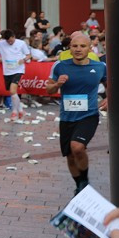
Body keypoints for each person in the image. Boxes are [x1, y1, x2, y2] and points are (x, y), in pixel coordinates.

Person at [45, 32, 107, 194]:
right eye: (75, 46)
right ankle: (79, 185)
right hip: (67, 117)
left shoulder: (100, 67)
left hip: (89, 116)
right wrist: (58, 84)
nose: (78, 49)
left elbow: (110, 85)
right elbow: (49, 88)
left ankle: (84, 179)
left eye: (82, 46)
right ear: (69, 48)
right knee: (70, 156)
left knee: (77, 147)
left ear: (90, 48)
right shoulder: (60, 66)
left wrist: (109, 99)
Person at [0, 29, 31, 120]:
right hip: (7, 71)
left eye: (11, 40)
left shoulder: (21, 43)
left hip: (18, 69)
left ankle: (14, 112)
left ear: (14, 37)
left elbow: (28, 55)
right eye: (8, 41)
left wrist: (24, 59)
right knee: (12, 92)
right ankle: (21, 110)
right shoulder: (1, 43)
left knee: (12, 91)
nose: (10, 42)